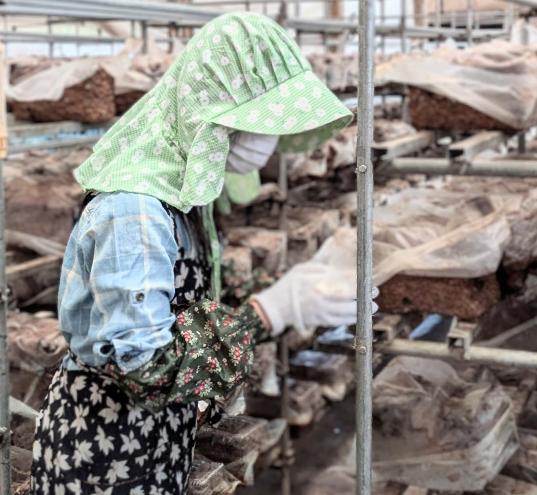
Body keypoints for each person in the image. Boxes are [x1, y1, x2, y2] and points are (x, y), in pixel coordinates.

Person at [31, 12, 370, 495]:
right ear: (209, 114)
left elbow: (186, 297)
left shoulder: (178, 200)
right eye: (256, 122)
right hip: (106, 454)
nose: (268, 143)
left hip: (154, 439)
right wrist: (267, 312)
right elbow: (144, 363)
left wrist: (302, 284)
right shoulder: (135, 210)